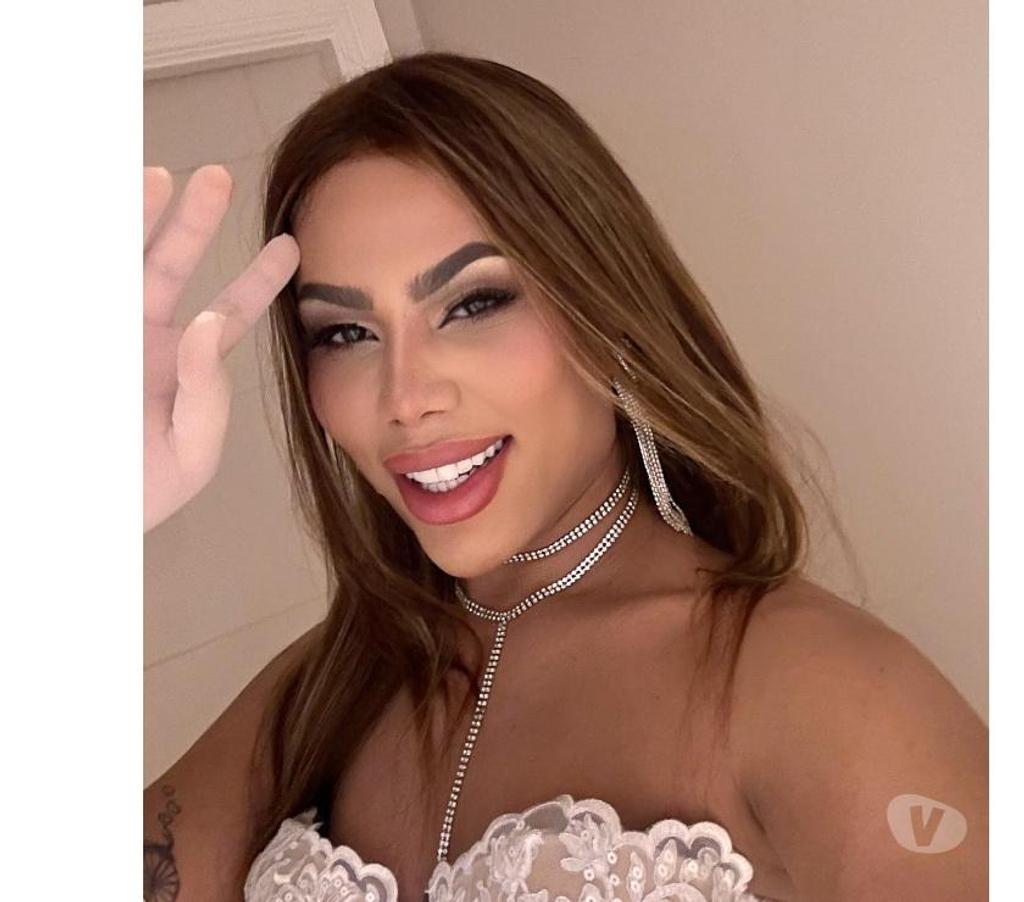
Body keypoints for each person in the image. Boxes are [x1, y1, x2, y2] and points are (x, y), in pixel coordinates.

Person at [143, 53, 987, 902]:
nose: (404, 398)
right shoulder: (322, 688)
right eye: (345, 333)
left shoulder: (823, 690)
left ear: (609, 312)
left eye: (473, 304)